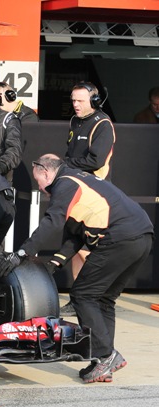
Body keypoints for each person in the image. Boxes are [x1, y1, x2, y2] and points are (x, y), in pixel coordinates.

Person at [0, 154, 154, 384]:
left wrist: (22, 253)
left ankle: (106, 355)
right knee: (104, 299)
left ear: (47, 172)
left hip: (120, 237)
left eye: (38, 181)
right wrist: (54, 263)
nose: (40, 187)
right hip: (142, 237)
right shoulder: (80, 180)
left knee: (82, 295)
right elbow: (74, 234)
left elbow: (53, 221)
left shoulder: (66, 183)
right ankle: (103, 361)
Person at [62, 81, 116, 315]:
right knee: (75, 244)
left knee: (89, 249)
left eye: (80, 100)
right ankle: (77, 299)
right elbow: (71, 153)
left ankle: (94, 298)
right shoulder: (75, 121)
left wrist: (65, 166)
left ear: (94, 101)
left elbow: (96, 161)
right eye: (73, 100)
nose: (75, 105)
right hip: (75, 190)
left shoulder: (103, 124)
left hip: (95, 194)